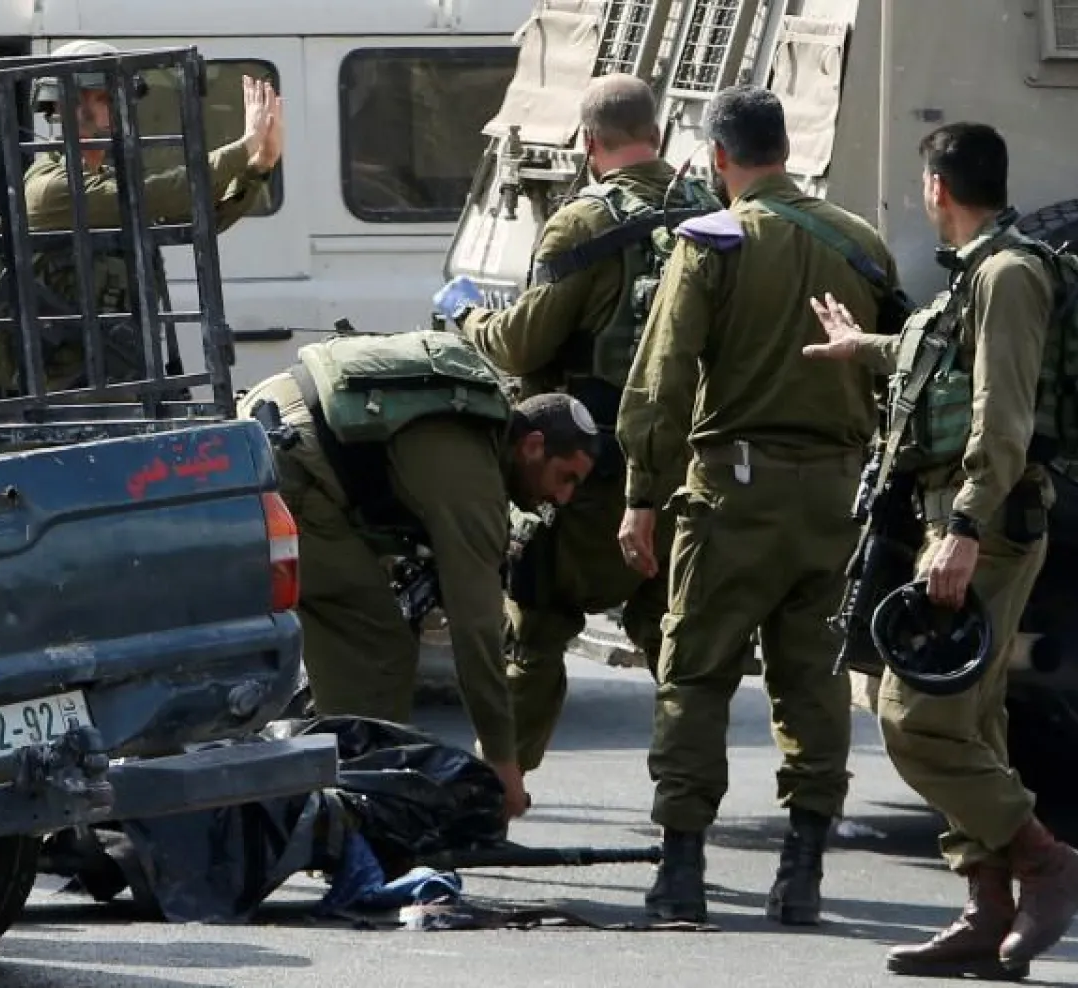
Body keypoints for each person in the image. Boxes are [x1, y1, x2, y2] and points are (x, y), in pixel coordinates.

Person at [804, 122, 1078, 979]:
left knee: (913, 716)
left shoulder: (1008, 275)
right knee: (974, 720)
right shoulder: (980, 273)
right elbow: (945, 364)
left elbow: (1001, 417)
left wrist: (965, 527)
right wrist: (860, 347)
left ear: (937, 187)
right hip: (956, 516)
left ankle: (1049, 865)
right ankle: (987, 908)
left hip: (987, 523)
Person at [614, 84, 899, 926]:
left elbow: (661, 378)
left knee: (695, 672)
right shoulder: (862, 242)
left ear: (718, 159)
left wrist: (640, 494)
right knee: (812, 682)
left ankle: (681, 874)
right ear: (787, 149)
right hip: (838, 500)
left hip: (735, 494)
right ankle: (803, 870)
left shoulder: (713, 241)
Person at [436, 73, 724, 776]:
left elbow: (521, 345)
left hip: (589, 467)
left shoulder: (583, 222)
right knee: (671, 632)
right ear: (655, 134)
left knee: (533, 625)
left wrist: (467, 314)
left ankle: (498, 787)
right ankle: (688, 794)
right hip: (690, 462)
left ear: (589, 143)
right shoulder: (711, 210)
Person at [236, 331, 599, 822]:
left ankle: (339, 789)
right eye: (566, 477)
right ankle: (359, 813)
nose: (565, 498)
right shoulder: (474, 482)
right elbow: (477, 636)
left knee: (364, 629)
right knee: (378, 646)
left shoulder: (471, 422)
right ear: (533, 446)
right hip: (288, 470)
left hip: (274, 435)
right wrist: (503, 765)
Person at [0, 39, 282, 395]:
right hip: (63, 389)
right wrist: (245, 145)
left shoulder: (100, 180)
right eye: (107, 99)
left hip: (110, 378)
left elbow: (199, 220)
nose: (120, 111)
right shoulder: (52, 188)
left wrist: (258, 167)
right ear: (69, 107)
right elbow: (161, 193)